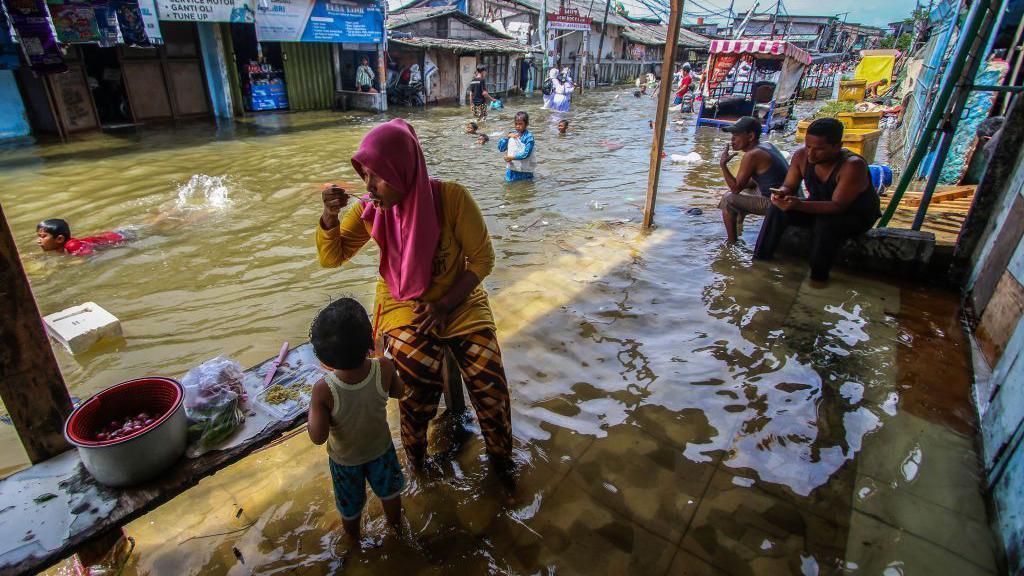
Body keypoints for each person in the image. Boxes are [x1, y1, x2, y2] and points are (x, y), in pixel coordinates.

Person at [316, 119, 515, 483]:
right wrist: (330, 216)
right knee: (415, 380)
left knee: (490, 381)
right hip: (401, 303)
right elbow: (333, 257)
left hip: (461, 300)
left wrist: (444, 305)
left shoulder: (451, 199)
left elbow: (482, 261)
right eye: (365, 175)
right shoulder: (371, 210)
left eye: (378, 176)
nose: (368, 186)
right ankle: (418, 464)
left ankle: (503, 465)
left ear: (404, 170)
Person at [307, 297, 406, 541]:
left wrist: (313, 406)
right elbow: (399, 392)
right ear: (369, 341)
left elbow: (318, 436)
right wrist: (380, 357)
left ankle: (354, 542)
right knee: (390, 493)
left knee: (350, 508)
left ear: (324, 360)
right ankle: (397, 529)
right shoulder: (384, 367)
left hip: (345, 462)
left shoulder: (323, 389)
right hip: (381, 450)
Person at [754, 118, 882, 283]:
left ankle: (818, 278)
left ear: (837, 146)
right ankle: (760, 260)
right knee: (776, 208)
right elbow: (789, 185)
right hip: (818, 206)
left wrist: (799, 204)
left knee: (826, 223)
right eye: (808, 146)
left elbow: (837, 206)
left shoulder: (852, 165)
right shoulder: (801, 156)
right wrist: (781, 194)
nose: (811, 153)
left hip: (853, 215)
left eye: (819, 149)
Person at [717, 117, 792, 243]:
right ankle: (738, 229)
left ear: (751, 136)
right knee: (742, 192)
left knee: (727, 199)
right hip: (786, 197)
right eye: (732, 135)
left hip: (777, 203)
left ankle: (731, 242)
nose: (732, 139)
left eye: (736, 135)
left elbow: (735, 189)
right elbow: (753, 181)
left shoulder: (752, 155)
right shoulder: (767, 145)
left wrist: (723, 165)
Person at [36, 218, 134, 256]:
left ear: (59, 239)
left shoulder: (72, 245)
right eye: (39, 237)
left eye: (43, 237)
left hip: (124, 236)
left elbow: (89, 255)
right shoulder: (58, 247)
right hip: (113, 235)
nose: (39, 241)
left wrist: (72, 263)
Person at [498, 111, 536, 182]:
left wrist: (511, 158)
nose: (517, 126)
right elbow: (501, 148)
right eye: (516, 124)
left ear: (526, 124)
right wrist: (507, 137)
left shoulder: (529, 137)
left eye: (520, 124)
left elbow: (526, 154)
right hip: (511, 170)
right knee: (509, 187)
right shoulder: (512, 134)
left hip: (525, 172)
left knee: (524, 187)